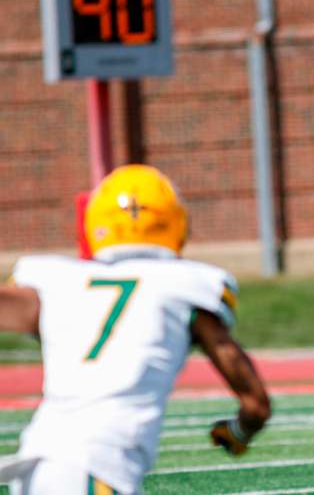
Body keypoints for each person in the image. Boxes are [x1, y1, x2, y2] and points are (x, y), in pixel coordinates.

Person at [0, 165, 271, 495]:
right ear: (175, 222)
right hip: (97, 466)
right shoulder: (188, 285)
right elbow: (256, 403)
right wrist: (239, 433)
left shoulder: (56, 280)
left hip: (35, 466)